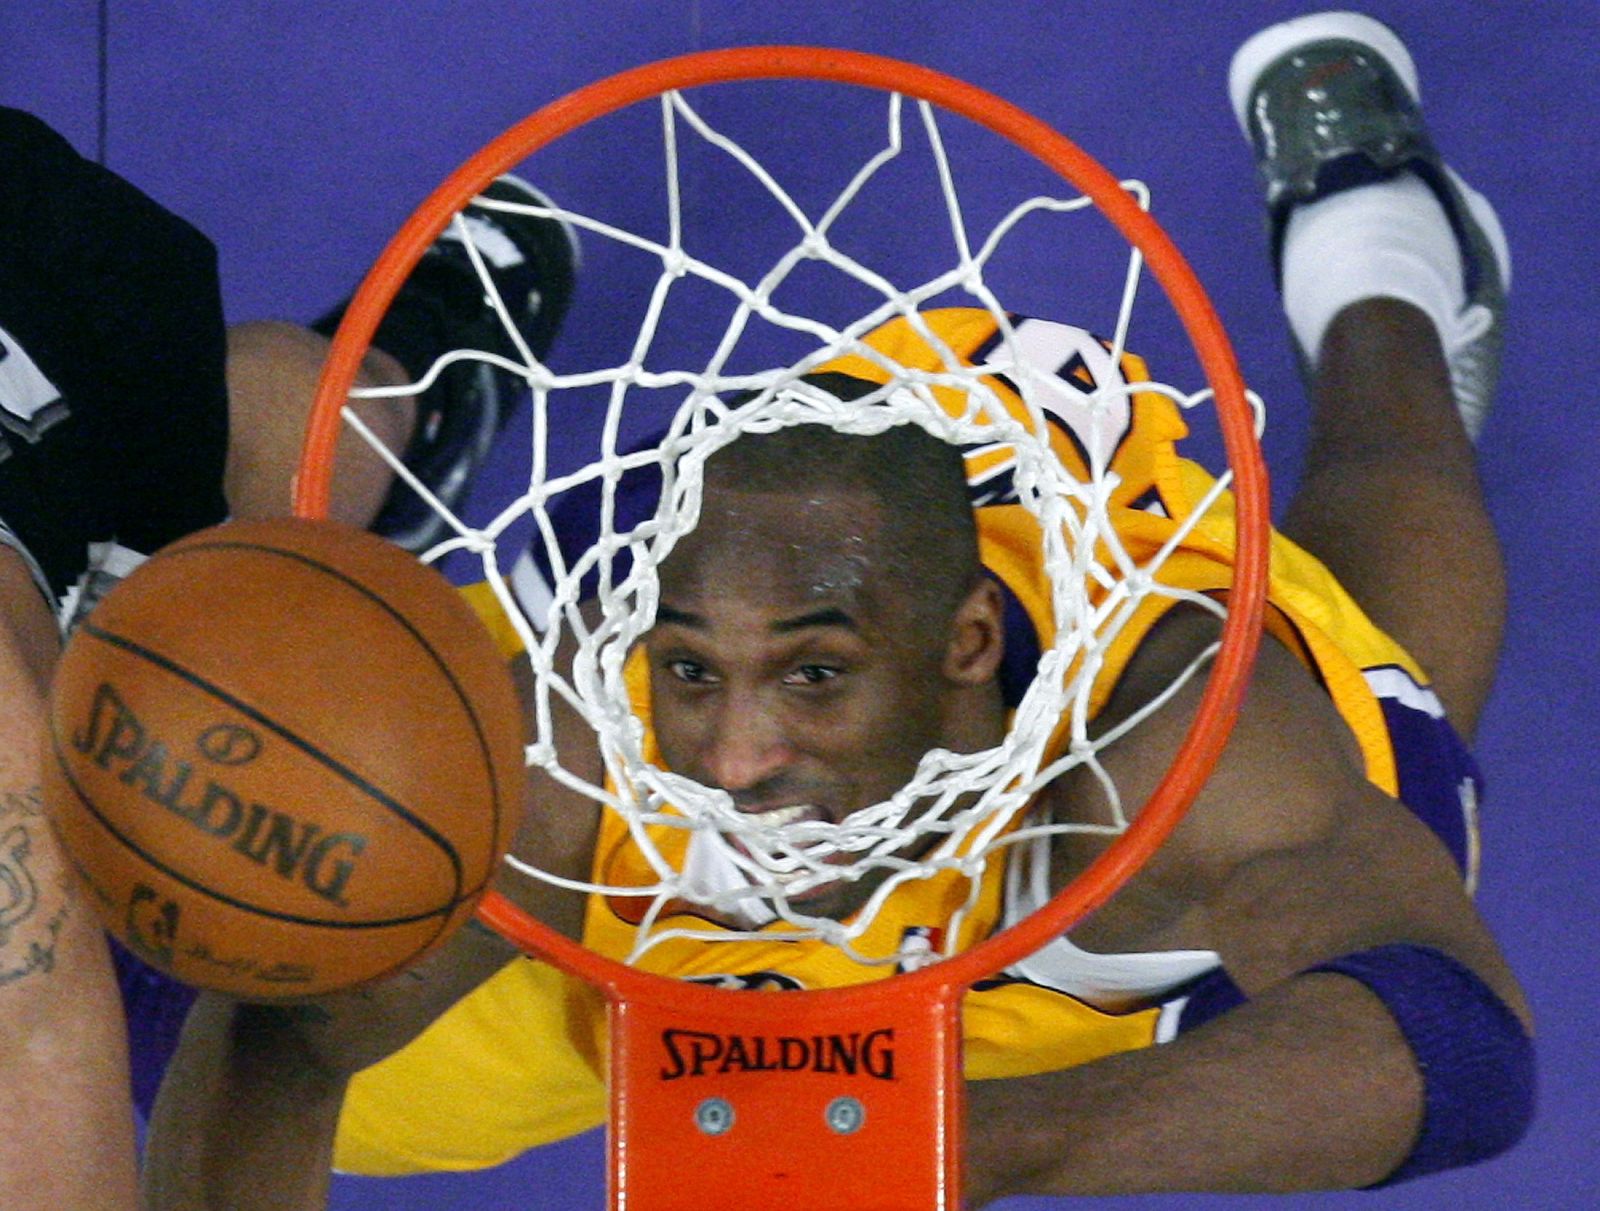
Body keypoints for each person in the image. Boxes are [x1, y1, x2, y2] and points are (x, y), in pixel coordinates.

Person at [140, 11, 1535, 1208]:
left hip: (1072, 888)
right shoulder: (589, 714)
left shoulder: (1168, 751)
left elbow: (1458, 1035)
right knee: (191, 966)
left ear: (968, 644)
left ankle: (1386, 277)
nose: (734, 756)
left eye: (812, 679)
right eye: (694, 673)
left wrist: (934, 1150)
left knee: (1396, 675)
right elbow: (293, 1026)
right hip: (652, 843)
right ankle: (436, 374)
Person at [0, 103, 576, 1209]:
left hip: (57, 318)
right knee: (230, 461)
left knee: (232, 547)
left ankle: (417, 373)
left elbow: (37, 1047)